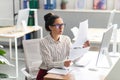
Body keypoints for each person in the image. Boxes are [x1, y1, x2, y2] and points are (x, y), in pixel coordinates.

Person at [36, 13, 90, 80]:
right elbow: (48, 64)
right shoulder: (43, 42)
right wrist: (63, 63)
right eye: (58, 25)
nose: (61, 28)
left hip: (61, 72)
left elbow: (74, 59)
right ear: (50, 27)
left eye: (62, 25)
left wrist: (83, 50)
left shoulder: (66, 39)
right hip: (46, 74)